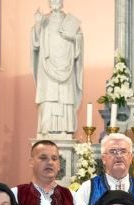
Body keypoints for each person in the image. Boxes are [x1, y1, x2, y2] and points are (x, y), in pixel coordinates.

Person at [31, 0, 83, 134]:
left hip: (67, 66)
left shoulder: (70, 22)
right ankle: (46, 129)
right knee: (49, 96)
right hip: (47, 66)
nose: (55, 1)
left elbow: (79, 41)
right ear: (49, 2)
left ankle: (66, 129)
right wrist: (38, 24)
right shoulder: (43, 21)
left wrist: (72, 37)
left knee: (65, 97)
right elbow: (36, 44)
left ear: (62, 2)